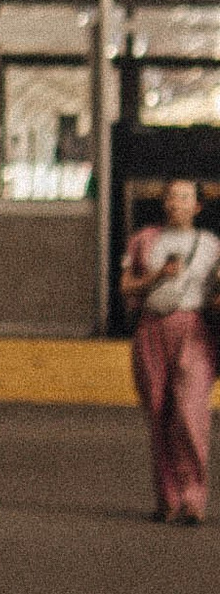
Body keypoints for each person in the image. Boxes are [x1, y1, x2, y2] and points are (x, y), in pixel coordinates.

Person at [121, 178, 219, 523]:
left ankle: (193, 497)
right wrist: (158, 275)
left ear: (196, 207)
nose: (176, 202)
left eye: (184, 197)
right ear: (165, 203)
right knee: (160, 414)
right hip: (151, 329)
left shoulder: (210, 245)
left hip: (194, 330)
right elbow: (126, 287)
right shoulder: (145, 241)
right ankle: (169, 499)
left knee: (191, 414)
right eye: (172, 197)